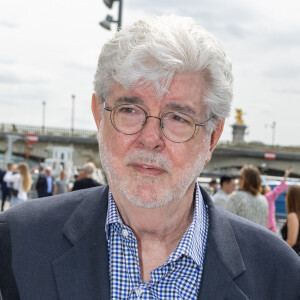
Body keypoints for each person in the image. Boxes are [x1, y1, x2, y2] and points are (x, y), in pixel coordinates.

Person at [0, 15, 299, 300]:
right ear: (98, 116)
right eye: (129, 110)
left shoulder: (279, 275)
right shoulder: (15, 244)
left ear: (212, 137)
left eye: (178, 117)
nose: (151, 138)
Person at [262, 168, 292, 233]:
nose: (269, 187)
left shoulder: (265, 197)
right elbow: (278, 189)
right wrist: (286, 175)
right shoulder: (268, 197)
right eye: (267, 186)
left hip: (267, 225)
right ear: (265, 190)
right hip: (269, 226)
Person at [281, 185, 300, 256]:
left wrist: (278, 249)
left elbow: (291, 241)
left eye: (286, 195)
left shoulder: (292, 215)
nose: (285, 198)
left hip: (293, 256)